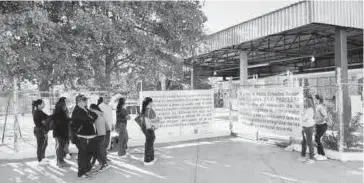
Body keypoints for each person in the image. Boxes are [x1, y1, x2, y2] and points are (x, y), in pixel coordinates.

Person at [71, 94, 97, 179]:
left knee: (89, 152)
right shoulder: (77, 111)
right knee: (83, 154)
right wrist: (91, 117)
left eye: (86, 100)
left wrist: (91, 116)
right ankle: (81, 173)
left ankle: (86, 169)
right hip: (81, 136)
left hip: (88, 135)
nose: (86, 101)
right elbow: (90, 119)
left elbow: (94, 116)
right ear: (79, 101)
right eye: (85, 100)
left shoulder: (84, 109)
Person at [89, 104, 110, 171]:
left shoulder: (93, 114)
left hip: (97, 134)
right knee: (99, 150)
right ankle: (104, 163)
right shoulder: (101, 113)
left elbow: (91, 123)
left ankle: (103, 164)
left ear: (91, 108)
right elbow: (106, 125)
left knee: (97, 151)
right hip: (103, 133)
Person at [52, 102, 71, 168]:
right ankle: (60, 162)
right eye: (65, 106)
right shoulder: (61, 114)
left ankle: (60, 161)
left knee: (60, 147)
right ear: (62, 107)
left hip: (58, 133)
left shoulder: (56, 113)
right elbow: (63, 123)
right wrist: (69, 120)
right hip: (61, 133)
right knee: (60, 147)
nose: (66, 107)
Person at [141, 97, 159, 165]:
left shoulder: (144, 109)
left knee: (149, 143)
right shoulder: (149, 110)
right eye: (152, 102)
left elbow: (145, 120)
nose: (152, 103)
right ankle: (147, 160)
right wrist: (157, 119)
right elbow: (151, 120)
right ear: (149, 102)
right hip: (149, 128)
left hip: (146, 128)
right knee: (149, 143)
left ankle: (151, 158)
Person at [298, 97, 316, 164]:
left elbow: (304, 118)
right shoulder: (306, 109)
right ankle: (303, 156)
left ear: (308, 102)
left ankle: (311, 158)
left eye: (305, 101)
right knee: (304, 142)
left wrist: (302, 114)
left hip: (308, 127)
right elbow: (303, 117)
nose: (304, 103)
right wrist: (302, 114)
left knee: (309, 142)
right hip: (304, 127)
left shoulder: (310, 110)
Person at [32, 99, 49, 165]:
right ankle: (40, 160)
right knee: (40, 145)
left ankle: (43, 157)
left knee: (45, 144)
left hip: (41, 130)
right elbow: (43, 121)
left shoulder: (40, 111)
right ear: (39, 105)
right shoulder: (37, 112)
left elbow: (47, 116)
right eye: (43, 103)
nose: (44, 104)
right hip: (40, 130)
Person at [98, 96, 113, 162]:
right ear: (103, 99)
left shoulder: (109, 106)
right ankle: (102, 159)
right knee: (102, 143)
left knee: (106, 143)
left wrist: (112, 124)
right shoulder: (100, 106)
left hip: (109, 127)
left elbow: (110, 116)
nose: (108, 99)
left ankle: (105, 157)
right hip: (103, 127)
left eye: (109, 98)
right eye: (107, 98)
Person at [314, 94, 328, 161]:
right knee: (316, 139)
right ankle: (319, 154)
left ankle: (323, 155)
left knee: (318, 139)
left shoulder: (320, 107)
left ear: (318, 100)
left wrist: (318, 121)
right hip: (318, 125)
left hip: (322, 126)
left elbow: (325, 116)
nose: (314, 100)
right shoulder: (317, 106)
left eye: (315, 99)